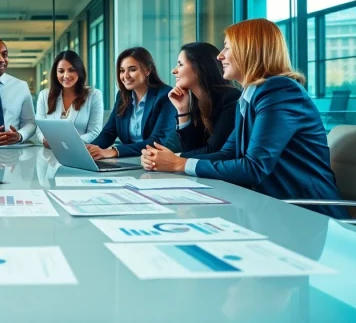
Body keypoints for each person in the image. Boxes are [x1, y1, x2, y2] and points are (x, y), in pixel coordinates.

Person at [141, 18, 345, 218]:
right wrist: (172, 160)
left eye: (227, 48)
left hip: (305, 213)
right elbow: (228, 153)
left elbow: (254, 167)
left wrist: (179, 164)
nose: (220, 56)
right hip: (268, 207)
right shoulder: (250, 96)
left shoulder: (279, 91)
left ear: (250, 50)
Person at [87, 47, 175, 158]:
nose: (126, 76)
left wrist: (115, 151)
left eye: (132, 69)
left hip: (158, 162)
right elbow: (109, 133)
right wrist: (89, 149)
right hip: (130, 160)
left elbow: (157, 141)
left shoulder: (165, 96)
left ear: (148, 70)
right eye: (122, 71)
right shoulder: (122, 96)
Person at [169, 42, 240, 156]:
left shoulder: (230, 98)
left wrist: (173, 158)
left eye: (180, 64)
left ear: (199, 68)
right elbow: (192, 149)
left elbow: (214, 151)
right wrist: (183, 111)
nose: (174, 71)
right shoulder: (197, 102)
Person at [35, 50, 103, 146]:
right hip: (50, 153)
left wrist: (68, 142)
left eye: (71, 70)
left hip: (80, 151)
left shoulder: (94, 95)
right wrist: (44, 139)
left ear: (79, 71)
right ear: (55, 73)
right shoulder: (44, 95)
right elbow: (39, 131)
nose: (66, 75)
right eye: (61, 71)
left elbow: (95, 132)